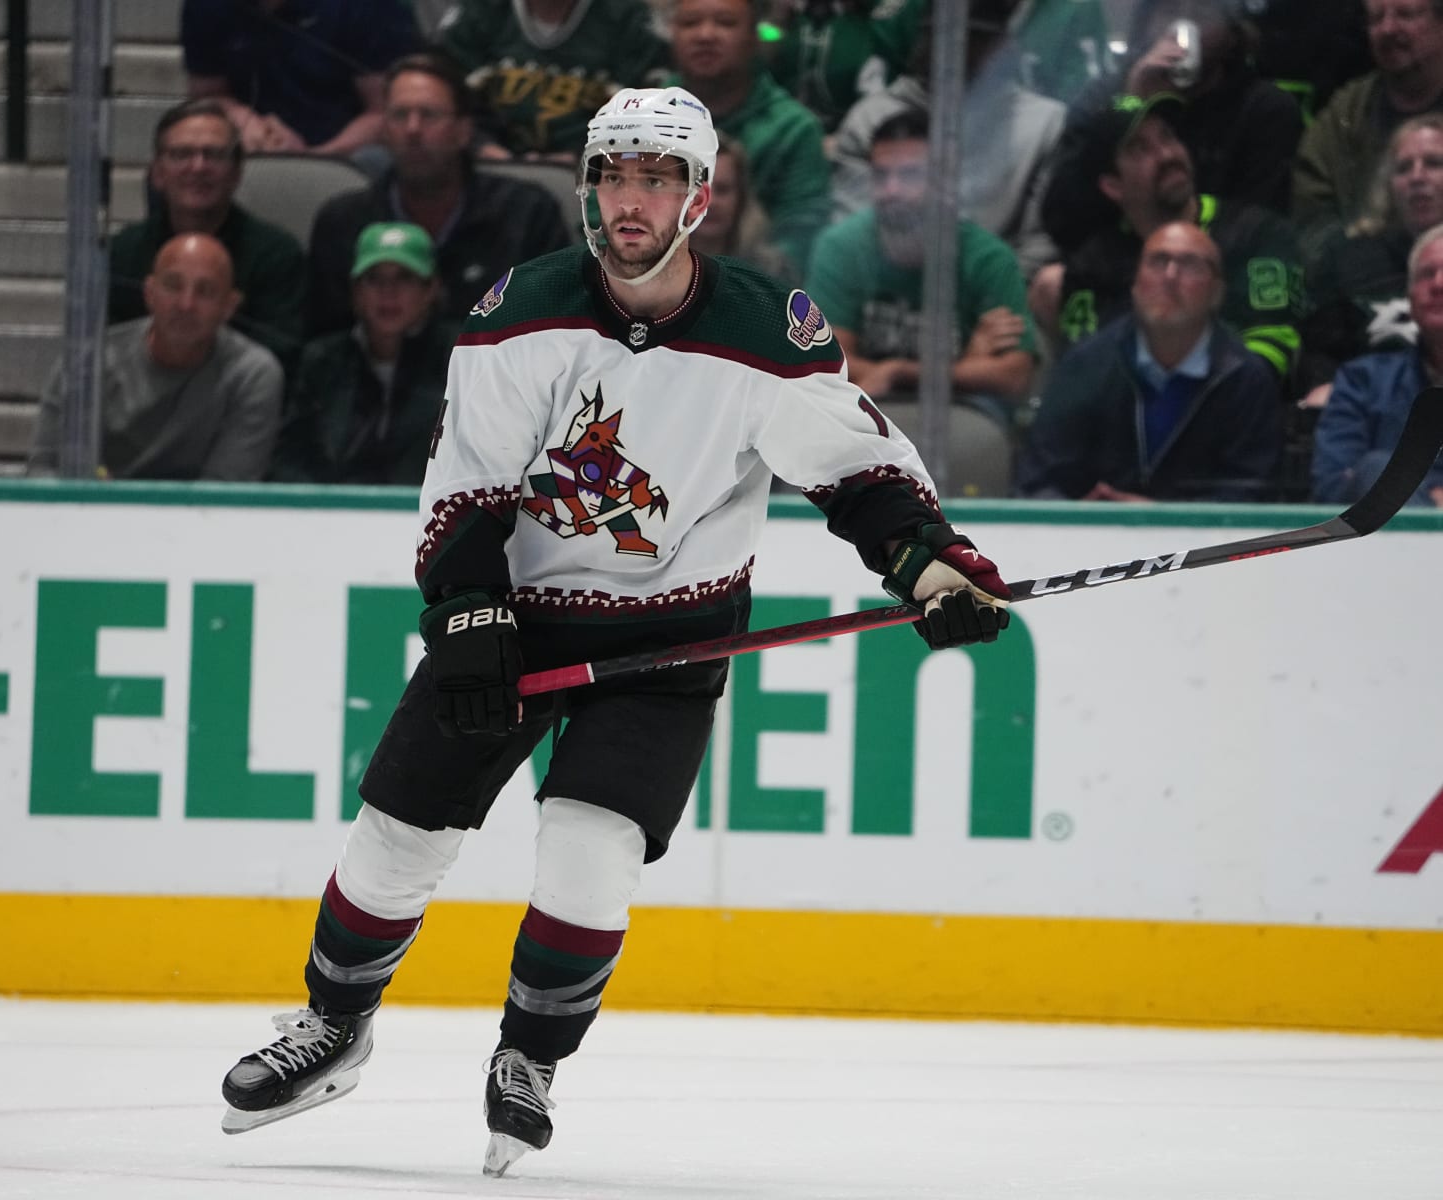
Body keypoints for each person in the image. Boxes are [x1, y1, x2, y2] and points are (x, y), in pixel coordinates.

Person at [217, 85, 1012, 1177]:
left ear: (699, 196)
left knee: (589, 852)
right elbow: (465, 487)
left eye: (656, 178)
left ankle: (529, 1060)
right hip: (520, 615)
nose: (629, 200)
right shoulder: (520, 313)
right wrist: (469, 613)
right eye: (612, 175)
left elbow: (859, 470)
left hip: (669, 643)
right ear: (587, 187)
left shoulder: (763, 334)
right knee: (397, 834)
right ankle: (333, 1026)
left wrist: (923, 561)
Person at [1038, 96, 1305, 383]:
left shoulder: (1255, 233)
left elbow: (1273, 348)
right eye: (1140, 149)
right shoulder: (1095, 264)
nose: (1166, 155)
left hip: (1233, 410)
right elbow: (1089, 371)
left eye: (1167, 136)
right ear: (1113, 186)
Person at [305, 53, 572, 336]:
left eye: (429, 115)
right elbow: (323, 345)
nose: (413, 129)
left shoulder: (527, 215)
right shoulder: (343, 223)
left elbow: (556, 336)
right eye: (399, 115)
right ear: (383, 130)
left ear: (463, 131)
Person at [1018, 222, 1283, 501]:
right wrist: (1080, 519)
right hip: (1091, 538)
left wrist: (1158, 520)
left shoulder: (1244, 378)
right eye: (1158, 262)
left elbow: (1254, 495)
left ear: (1217, 293)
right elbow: (1038, 481)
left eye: (1190, 265)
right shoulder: (1085, 366)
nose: (1170, 276)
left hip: (1206, 543)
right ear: (1135, 284)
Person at [807, 109, 1038, 418]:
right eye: (881, 176)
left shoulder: (988, 259)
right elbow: (826, 364)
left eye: (910, 176)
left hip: (955, 418)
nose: (891, 191)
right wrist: (962, 369)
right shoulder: (841, 248)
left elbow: (1014, 377)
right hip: (864, 415)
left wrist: (900, 372)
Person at [1041, 0, 1303, 259]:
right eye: (1169, 8)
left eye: (1202, 10)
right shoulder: (1105, 97)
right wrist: (1132, 106)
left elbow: (1260, 234)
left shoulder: (1264, 109)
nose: (1182, 26)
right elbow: (1063, 222)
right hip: (1120, 268)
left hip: (1213, 272)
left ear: (1233, 32)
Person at [829, 0, 1065, 278]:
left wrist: (987, 292)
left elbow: (1040, 242)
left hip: (993, 295)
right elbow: (850, 232)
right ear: (925, 39)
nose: (957, 50)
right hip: (883, 295)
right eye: (944, 36)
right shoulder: (871, 118)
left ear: (1003, 46)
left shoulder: (1044, 123)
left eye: (974, 39)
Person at [32, 234, 284, 480]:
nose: (186, 304)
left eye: (205, 291)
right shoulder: (87, 361)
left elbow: (225, 494)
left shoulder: (252, 374)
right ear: (149, 293)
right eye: (173, 286)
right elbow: (44, 469)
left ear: (229, 306)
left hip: (198, 520)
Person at [108, 99, 305, 369]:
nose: (198, 167)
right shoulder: (122, 252)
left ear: (237, 172)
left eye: (214, 155)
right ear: (157, 174)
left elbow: (279, 359)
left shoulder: (277, 256)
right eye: (181, 154)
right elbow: (108, 353)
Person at [274, 223, 456, 484]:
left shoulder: (462, 357)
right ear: (356, 291)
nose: (388, 293)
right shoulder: (322, 360)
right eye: (374, 279)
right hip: (334, 514)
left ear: (430, 289)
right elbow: (288, 459)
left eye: (404, 277)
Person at [669, 0, 831, 270]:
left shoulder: (795, 130)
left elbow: (800, 243)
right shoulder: (637, 118)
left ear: (754, 36)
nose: (705, 35)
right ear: (672, 34)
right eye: (690, 23)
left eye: (725, 22)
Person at [1298, 114, 1443, 411]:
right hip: (1372, 410)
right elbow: (1320, 352)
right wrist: (1326, 385)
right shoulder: (1348, 260)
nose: (1417, 177)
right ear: (1389, 185)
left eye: (1433, 163)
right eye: (1403, 168)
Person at [1292, 0, 1443, 263]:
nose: (1387, 29)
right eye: (1375, 19)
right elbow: (1312, 214)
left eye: (1405, 15)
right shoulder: (1345, 116)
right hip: (1365, 281)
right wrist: (1353, 263)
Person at [179, 0, 418, 157]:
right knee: (175, 166)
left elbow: (386, 111)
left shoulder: (371, 7)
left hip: (346, 148)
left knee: (376, 160)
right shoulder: (207, 6)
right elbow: (209, 95)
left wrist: (313, 159)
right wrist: (245, 122)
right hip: (256, 144)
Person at [1311, 223, 1443, 506]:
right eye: (1426, 274)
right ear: (1409, 298)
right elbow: (1333, 485)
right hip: (1381, 546)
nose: (1439, 283)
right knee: (1377, 470)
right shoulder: (1362, 380)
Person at [437, 0, 670, 159]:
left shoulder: (627, 19)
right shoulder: (479, 13)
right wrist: (483, 147)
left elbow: (647, 112)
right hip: (485, 171)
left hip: (596, 175)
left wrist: (583, 154)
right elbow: (440, 99)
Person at [761, 0, 926, 132]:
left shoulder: (900, 12)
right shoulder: (782, 15)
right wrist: (775, 23)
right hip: (785, 137)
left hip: (874, 143)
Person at [688, 134, 795, 279]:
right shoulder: (652, 266)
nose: (711, 202)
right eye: (698, 190)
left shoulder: (772, 270)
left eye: (723, 189)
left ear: (742, 197)